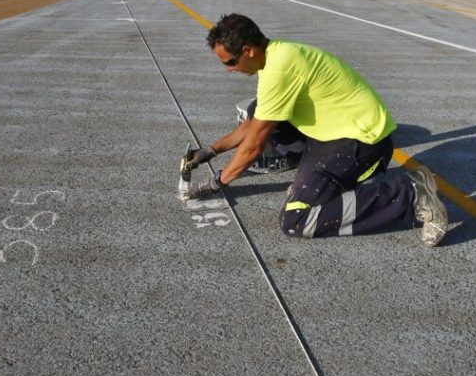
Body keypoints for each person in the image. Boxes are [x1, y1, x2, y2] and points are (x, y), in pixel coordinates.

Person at [183, 13, 448, 246]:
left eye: (229, 62)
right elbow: (255, 123)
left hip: (362, 143)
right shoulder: (276, 54)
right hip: (332, 133)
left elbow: (253, 145)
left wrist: (216, 183)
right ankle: (312, 177)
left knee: (296, 220)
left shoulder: (280, 69)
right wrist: (211, 150)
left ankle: (411, 193)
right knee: (257, 110)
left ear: (248, 50)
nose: (229, 70)